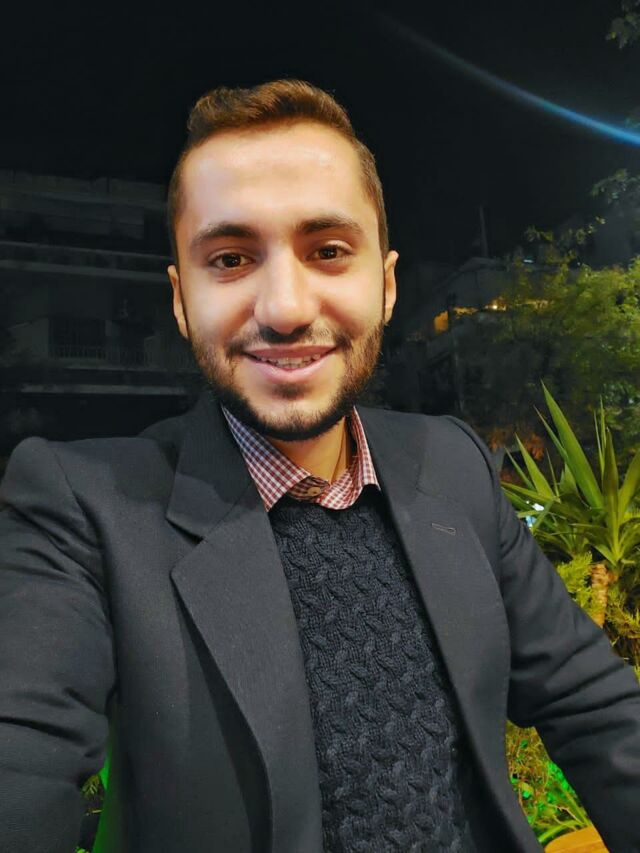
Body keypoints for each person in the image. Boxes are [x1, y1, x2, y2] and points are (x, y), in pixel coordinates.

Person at [0, 79, 639, 853]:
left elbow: (594, 705)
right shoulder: (83, 509)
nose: (285, 307)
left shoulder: (455, 463)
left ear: (387, 283)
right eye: (230, 258)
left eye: (329, 251)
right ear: (180, 299)